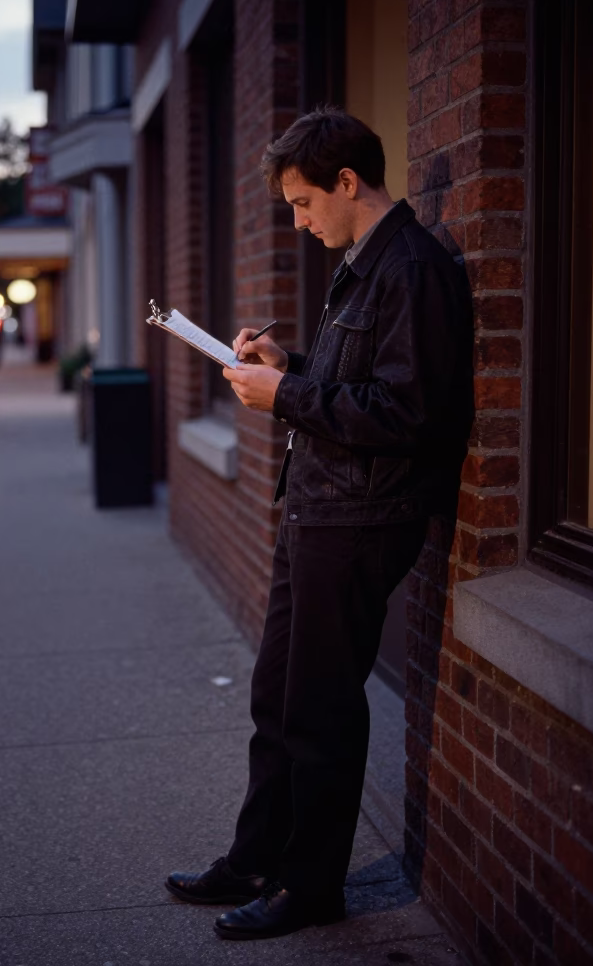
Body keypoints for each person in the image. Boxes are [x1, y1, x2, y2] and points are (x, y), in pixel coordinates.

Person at [165, 107, 473, 941]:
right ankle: (255, 856)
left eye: (303, 204)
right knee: (278, 696)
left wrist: (288, 397)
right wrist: (288, 365)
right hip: (318, 508)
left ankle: (311, 886)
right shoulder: (362, 265)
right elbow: (358, 382)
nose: (298, 224)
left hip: (362, 519)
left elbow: (413, 415)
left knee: (320, 709)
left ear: (347, 182)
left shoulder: (411, 270)